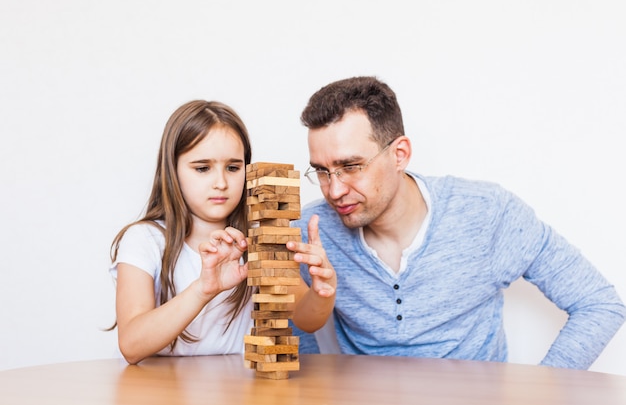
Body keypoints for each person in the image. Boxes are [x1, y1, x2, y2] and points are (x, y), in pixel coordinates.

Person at [292, 76, 625, 370]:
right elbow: (289, 321)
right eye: (321, 170)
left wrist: (540, 393)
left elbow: (599, 304)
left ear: (400, 154)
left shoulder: (488, 213)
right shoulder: (312, 229)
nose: (333, 189)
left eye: (350, 166)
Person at [110, 100, 335, 365]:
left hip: (235, 387)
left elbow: (304, 319)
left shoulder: (260, 237)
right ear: (173, 171)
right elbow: (132, 345)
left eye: (233, 167)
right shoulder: (144, 240)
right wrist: (203, 289)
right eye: (202, 168)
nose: (221, 183)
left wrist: (323, 292)